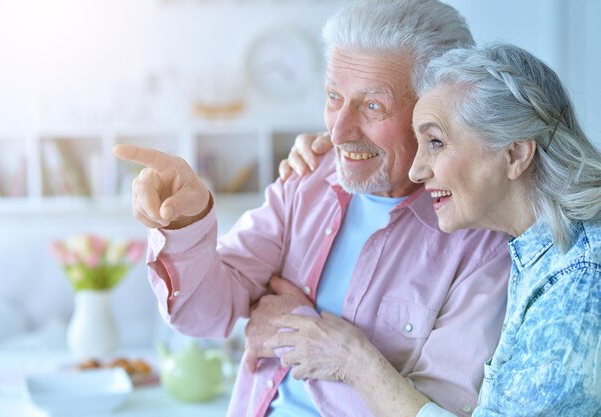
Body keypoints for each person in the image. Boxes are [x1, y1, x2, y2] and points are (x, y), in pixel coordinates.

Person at [113, 1, 512, 416]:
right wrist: (187, 221)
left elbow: (438, 410)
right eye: (333, 97)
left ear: (438, 111)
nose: (338, 130)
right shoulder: (308, 179)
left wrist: (309, 336)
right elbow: (201, 316)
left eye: (372, 106)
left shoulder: (481, 244)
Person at [269, 43, 601, 416]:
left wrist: (354, 360)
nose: (416, 170)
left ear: (516, 155)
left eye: (436, 143)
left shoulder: (579, 279)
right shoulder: (540, 253)